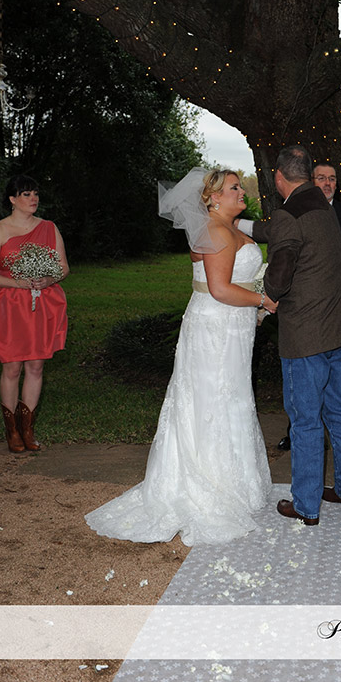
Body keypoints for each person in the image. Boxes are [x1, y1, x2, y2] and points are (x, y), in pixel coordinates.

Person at [85, 168, 277, 546]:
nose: (241, 191)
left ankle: (237, 481)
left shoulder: (228, 228)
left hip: (231, 326)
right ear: (214, 198)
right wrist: (263, 300)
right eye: (234, 187)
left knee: (230, 397)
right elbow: (219, 289)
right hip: (217, 328)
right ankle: (210, 482)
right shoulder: (217, 231)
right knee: (212, 400)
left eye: (239, 186)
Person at [259, 145, 341, 526]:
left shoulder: (289, 213)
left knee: (305, 419)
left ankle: (305, 504)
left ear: (278, 177)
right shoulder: (323, 207)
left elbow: (280, 274)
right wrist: (242, 228)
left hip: (307, 334)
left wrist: (266, 295)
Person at [0, 175, 69, 453]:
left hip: (40, 304)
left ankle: (28, 429)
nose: (33, 198)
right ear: (12, 200)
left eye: (35, 193)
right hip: (8, 305)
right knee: (12, 367)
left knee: (36, 366)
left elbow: (63, 267)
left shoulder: (49, 228)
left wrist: (48, 279)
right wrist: (17, 283)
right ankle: (12, 430)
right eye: (26, 194)